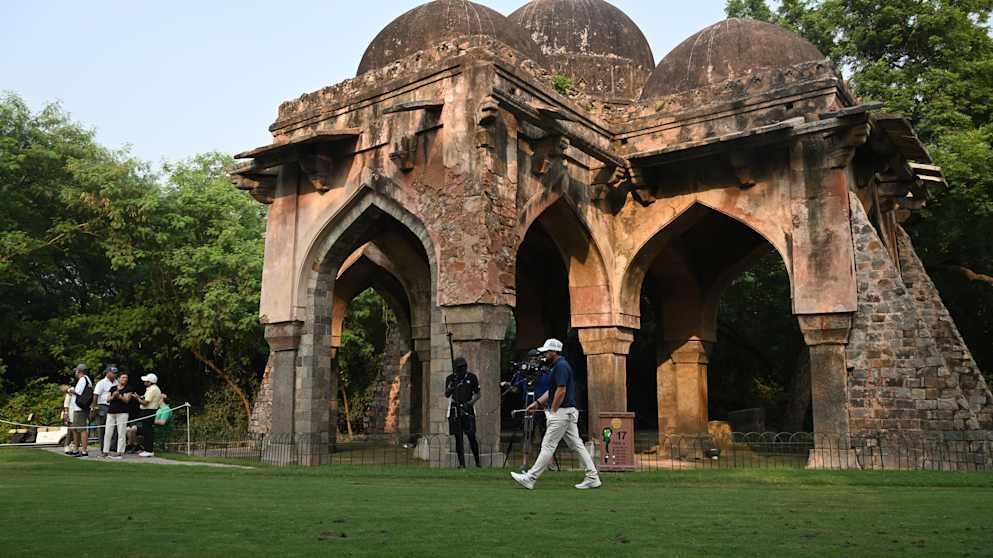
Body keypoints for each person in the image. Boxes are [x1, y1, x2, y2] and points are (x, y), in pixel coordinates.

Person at [511, 339, 601, 490]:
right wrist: (538, 403)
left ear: (554, 352)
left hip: (561, 412)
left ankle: (530, 477)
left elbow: (561, 390)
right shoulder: (556, 366)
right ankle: (593, 477)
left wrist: (553, 410)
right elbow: (552, 391)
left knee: (548, 445)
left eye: (547, 352)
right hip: (565, 412)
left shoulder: (560, 366)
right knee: (576, 445)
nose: (545, 354)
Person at [445, 357, 481, 468]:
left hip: (467, 408)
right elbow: (446, 394)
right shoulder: (450, 378)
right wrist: (451, 388)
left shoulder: (472, 377)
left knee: (471, 436)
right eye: (459, 369)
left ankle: (477, 462)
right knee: (458, 437)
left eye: (463, 368)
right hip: (455, 408)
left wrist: (470, 403)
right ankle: (461, 463)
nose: (462, 371)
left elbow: (478, 394)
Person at [103, 373, 136, 459]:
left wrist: (120, 396)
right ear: (118, 379)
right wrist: (113, 396)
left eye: (126, 377)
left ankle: (120, 452)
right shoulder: (113, 388)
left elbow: (127, 400)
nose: (125, 379)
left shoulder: (128, 388)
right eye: (123, 377)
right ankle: (105, 451)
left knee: (121, 432)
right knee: (108, 432)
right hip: (111, 412)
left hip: (122, 413)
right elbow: (108, 399)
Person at [65, 364, 93, 457]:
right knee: (76, 429)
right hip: (83, 407)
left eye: (76, 371)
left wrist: (68, 390)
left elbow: (78, 393)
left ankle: (83, 450)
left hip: (79, 408)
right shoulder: (87, 379)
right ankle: (76, 448)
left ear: (79, 371)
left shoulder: (82, 380)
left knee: (81, 429)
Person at [135, 373, 162, 457]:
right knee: (146, 430)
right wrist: (139, 397)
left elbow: (145, 403)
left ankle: (149, 450)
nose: (144, 382)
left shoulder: (152, 389)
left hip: (149, 411)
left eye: (146, 381)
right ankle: (147, 449)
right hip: (149, 411)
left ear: (150, 382)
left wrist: (137, 399)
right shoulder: (152, 388)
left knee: (147, 431)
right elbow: (145, 398)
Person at [94, 365, 117, 456]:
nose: (115, 375)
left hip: (113, 406)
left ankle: (112, 447)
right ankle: (103, 448)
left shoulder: (116, 382)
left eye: (115, 373)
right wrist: (94, 408)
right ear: (107, 373)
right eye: (113, 373)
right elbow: (95, 395)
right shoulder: (101, 382)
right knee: (102, 428)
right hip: (103, 406)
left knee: (114, 428)